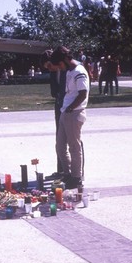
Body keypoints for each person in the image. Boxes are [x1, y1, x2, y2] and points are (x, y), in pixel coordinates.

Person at [50, 45, 89, 189]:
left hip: (74, 113)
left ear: (66, 59)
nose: (60, 67)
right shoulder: (69, 71)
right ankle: (67, 173)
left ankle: (76, 177)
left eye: (60, 64)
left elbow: (83, 94)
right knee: (60, 146)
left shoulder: (79, 71)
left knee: (74, 146)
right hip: (65, 112)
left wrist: (71, 108)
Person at [41, 50, 65, 180]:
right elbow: (53, 92)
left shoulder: (66, 71)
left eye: (50, 65)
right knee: (59, 139)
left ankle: (69, 171)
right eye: (47, 68)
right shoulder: (53, 72)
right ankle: (60, 170)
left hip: (68, 109)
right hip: (58, 106)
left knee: (70, 141)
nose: (49, 69)